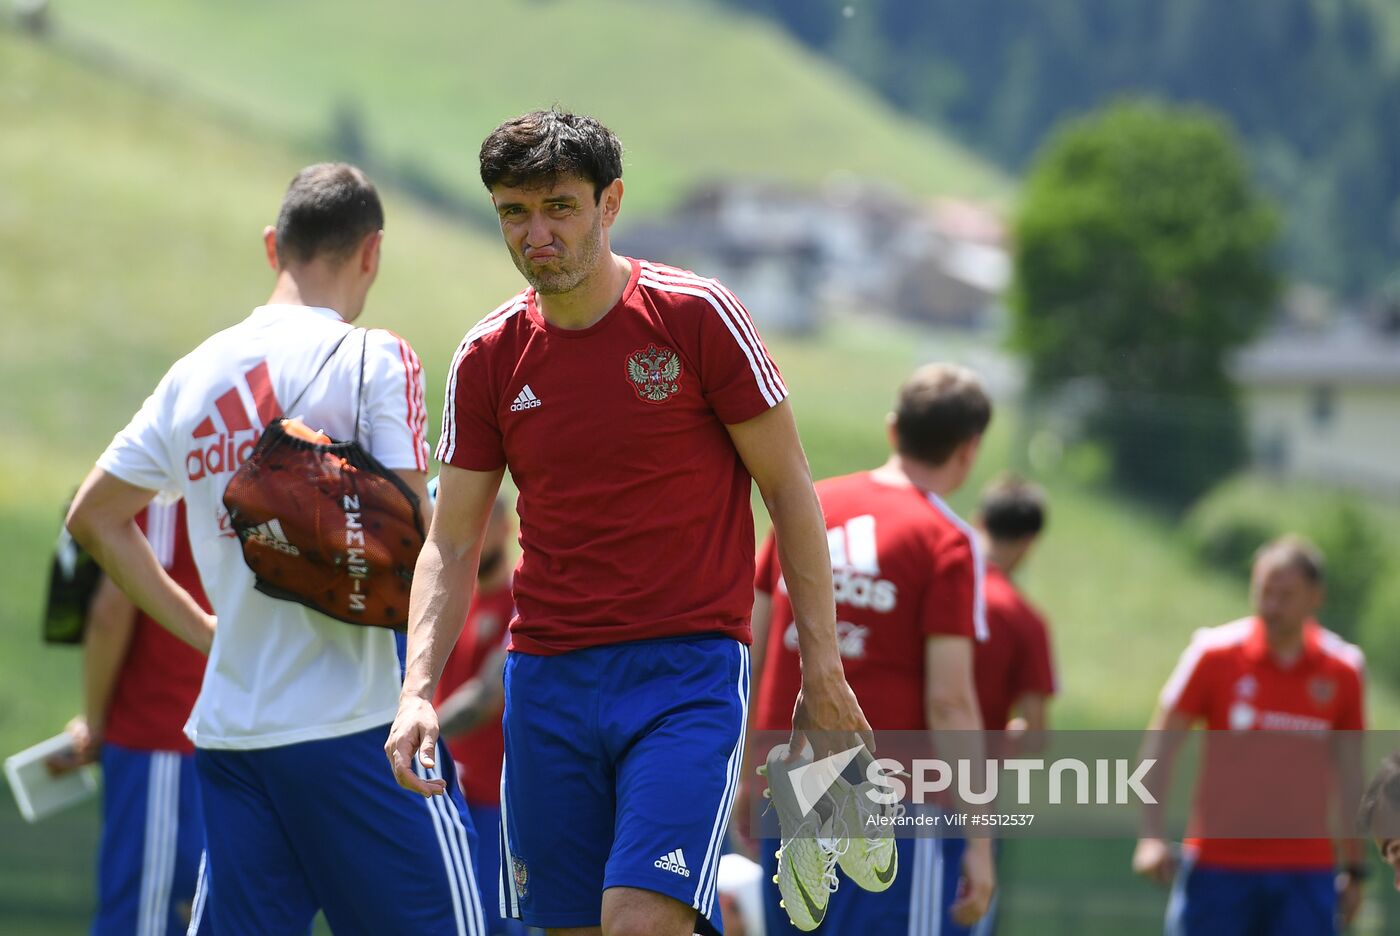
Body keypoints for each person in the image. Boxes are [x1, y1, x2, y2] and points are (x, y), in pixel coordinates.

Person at [385, 109, 871, 936]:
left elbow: (790, 489)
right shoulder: (489, 357)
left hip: (685, 676)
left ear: (610, 204)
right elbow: (456, 537)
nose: (536, 234)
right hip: (546, 684)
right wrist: (416, 690)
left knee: (641, 921)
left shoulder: (697, 317)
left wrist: (821, 669)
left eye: (559, 208)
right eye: (514, 212)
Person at [67, 163, 487, 935]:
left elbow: (94, 518)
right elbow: (419, 542)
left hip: (231, 733)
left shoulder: (190, 376)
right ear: (372, 253)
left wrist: (207, 632)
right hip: (357, 726)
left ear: (274, 247)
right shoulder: (374, 359)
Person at [746, 363, 997, 935]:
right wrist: (980, 842)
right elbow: (951, 702)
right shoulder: (948, 541)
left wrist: (741, 776)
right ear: (968, 450)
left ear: (893, 430)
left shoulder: (807, 505)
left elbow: (751, 655)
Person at [1132, 536, 1367, 935]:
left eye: (1285, 595)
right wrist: (1150, 836)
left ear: (1316, 597)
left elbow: (1351, 777)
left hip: (1305, 872)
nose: (1271, 606)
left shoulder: (1343, 670)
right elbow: (1160, 745)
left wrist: (1354, 867)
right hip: (1217, 867)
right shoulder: (1213, 654)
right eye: (1263, 592)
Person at [47, 499, 210, 935]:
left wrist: (94, 723)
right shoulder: (282, 448)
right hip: (244, 737)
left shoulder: (157, 481)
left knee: (145, 921)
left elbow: (111, 611)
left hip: (161, 735)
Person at [434, 494, 523, 936]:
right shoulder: (453, 603)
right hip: (449, 798)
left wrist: (420, 729)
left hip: (498, 805)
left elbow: (488, 696)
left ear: (507, 529)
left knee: (496, 922)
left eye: (484, 523)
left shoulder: (518, 604)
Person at [973, 475, 1056, 740]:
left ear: (978, 522)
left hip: (884, 755)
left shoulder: (932, 585)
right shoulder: (1026, 621)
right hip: (964, 772)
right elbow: (1034, 732)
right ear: (1030, 541)